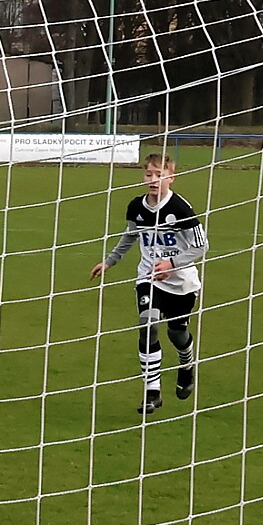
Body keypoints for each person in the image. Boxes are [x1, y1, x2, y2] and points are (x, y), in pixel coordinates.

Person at [91, 153, 208, 415]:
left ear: (171, 178)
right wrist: (109, 262)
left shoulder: (180, 209)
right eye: (149, 174)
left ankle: (186, 365)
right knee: (148, 325)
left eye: (159, 175)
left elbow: (202, 246)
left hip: (181, 283)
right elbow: (130, 236)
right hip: (148, 277)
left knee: (177, 334)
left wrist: (172, 264)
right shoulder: (137, 207)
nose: (153, 180)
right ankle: (152, 392)